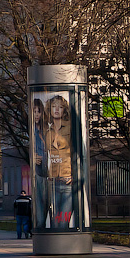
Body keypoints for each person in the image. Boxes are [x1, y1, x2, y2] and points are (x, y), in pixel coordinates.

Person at [45, 94, 73, 228]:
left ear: (64, 110)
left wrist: (75, 173)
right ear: (49, 109)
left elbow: (77, 151)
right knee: (55, 223)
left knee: (63, 223)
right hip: (53, 181)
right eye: (54, 106)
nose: (56, 110)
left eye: (60, 107)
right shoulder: (47, 129)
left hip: (68, 180)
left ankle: (65, 247)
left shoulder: (70, 127)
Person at [31, 98, 49, 229]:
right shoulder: (32, 131)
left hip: (48, 168)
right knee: (40, 200)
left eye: (39, 111)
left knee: (47, 200)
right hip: (37, 170)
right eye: (34, 111)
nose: (36, 114)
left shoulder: (46, 130)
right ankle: (40, 226)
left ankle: (44, 225)